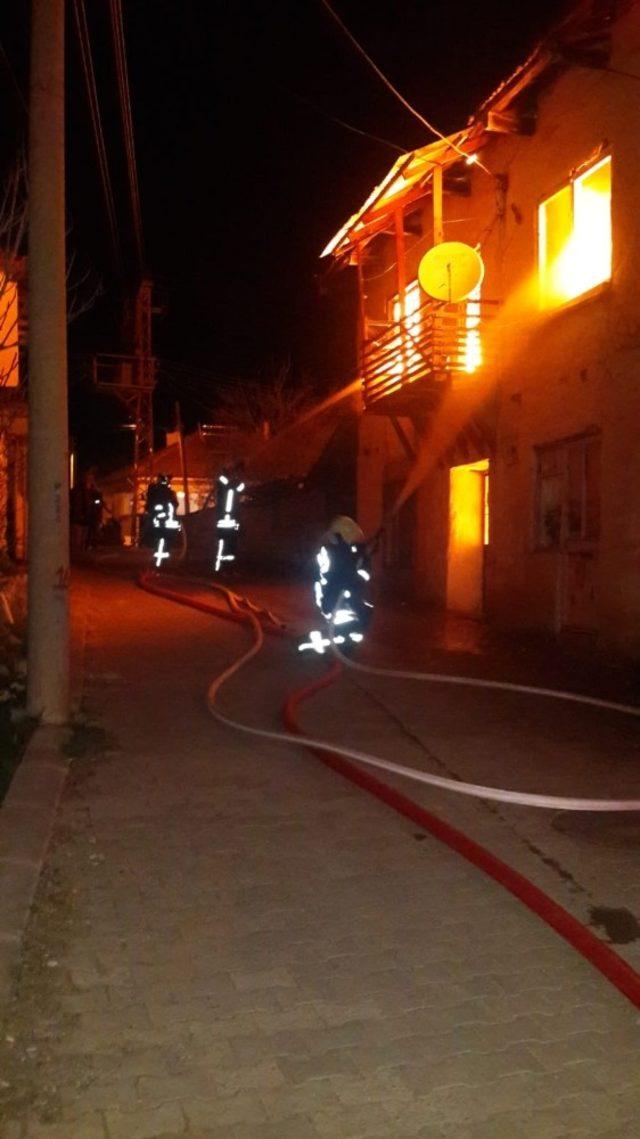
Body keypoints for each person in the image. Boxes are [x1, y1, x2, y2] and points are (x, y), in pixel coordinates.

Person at [298, 515, 373, 654]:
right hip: (334, 597)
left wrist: (358, 574)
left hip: (351, 597)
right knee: (343, 618)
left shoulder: (356, 552)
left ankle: (346, 640)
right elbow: (326, 574)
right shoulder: (330, 552)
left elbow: (365, 572)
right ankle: (341, 640)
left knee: (363, 613)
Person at [143, 474, 181, 566]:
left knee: (160, 541)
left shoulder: (156, 493)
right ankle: (162, 562)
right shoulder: (169, 493)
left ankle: (159, 562)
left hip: (160, 523)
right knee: (165, 543)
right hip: (166, 523)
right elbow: (175, 504)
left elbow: (149, 507)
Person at [213, 465, 245, 574]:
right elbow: (228, 484)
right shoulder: (224, 483)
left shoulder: (233, 485)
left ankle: (229, 568)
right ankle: (221, 568)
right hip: (224, 522)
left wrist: (239, 475)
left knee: (231, 546)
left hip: (231, 522)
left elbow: (241, 487)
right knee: (224, 546)